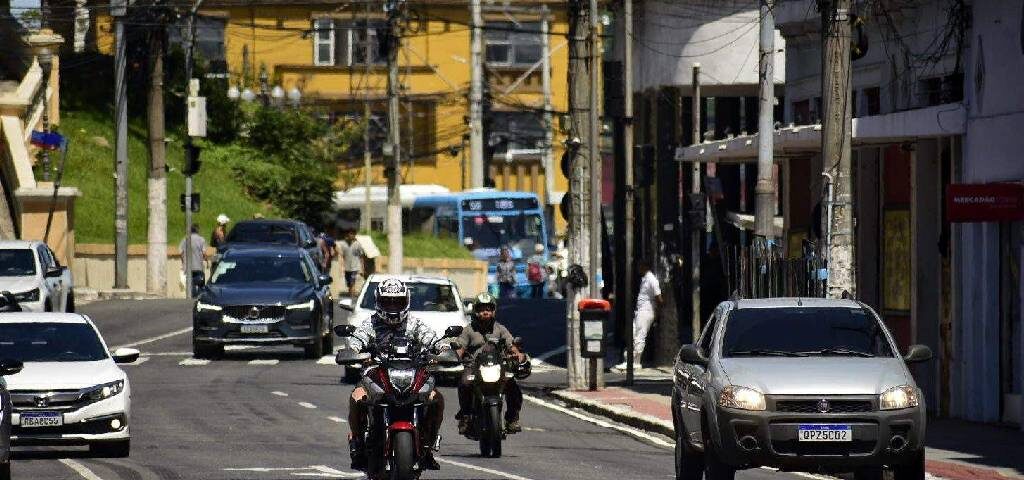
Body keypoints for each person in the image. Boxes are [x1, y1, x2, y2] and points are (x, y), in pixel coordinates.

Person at [347, 279, 444, 471]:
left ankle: (429, 443)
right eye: (388, 302)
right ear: (378, 302)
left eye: (397, 302)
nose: (392, 307)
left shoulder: (414, 324)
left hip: (412, 374)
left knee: (436, 398)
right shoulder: (370, 324)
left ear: (406, 301)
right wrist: (354, 351)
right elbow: (355, 341)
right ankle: (357, 442)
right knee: (357, 397)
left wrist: (442, 349)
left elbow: (433, 340)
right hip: (376, 375)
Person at [454, 293, 527, 434]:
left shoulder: (500, 329)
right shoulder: (468, 330)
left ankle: (512, 419)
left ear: (494, 311)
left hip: (497, 367)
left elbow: (511, 345)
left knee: (513, 386)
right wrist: (453, 356)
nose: (485, 312)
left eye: (488, 309)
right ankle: (465, 415)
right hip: (474, 367)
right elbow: (460, 347)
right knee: (464, 383)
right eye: (481, 309)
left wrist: (517, 355)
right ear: (475, 311)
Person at [615, 259, 662, 370]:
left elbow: (659, 298)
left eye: (639, 266)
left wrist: (657, 313)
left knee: (640, 337)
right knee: (632, 335)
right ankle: (628, 361)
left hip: (646, 311)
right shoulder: (644, 279)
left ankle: (636, 362)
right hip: (640, 311)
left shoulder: (652, 280)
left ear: (645, 266)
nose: (638, 268)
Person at [179, 224, 208, 297]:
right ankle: (199, 297)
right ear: (198, 230)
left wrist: (183, 262)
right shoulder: (201, 240)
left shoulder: (185, 239)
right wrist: (207, 261)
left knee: (191, 284)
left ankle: (192, 297)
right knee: (201, 283)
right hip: (199, 267)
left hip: (188, 267)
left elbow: (181, 253)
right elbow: (204, 253)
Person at [338, 231, 364, 298]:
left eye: (352, 234)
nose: (351, 235)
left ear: (354, 235)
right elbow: (342, 256)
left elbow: (361, 257)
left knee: (352, 282)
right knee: (349, 283)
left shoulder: (358, 244)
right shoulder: (344, 245)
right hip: (347, 268)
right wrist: (341, 267)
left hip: (354, 267)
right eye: (350, 234)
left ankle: (351, 296)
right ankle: (351, 293)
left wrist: (362, 268)